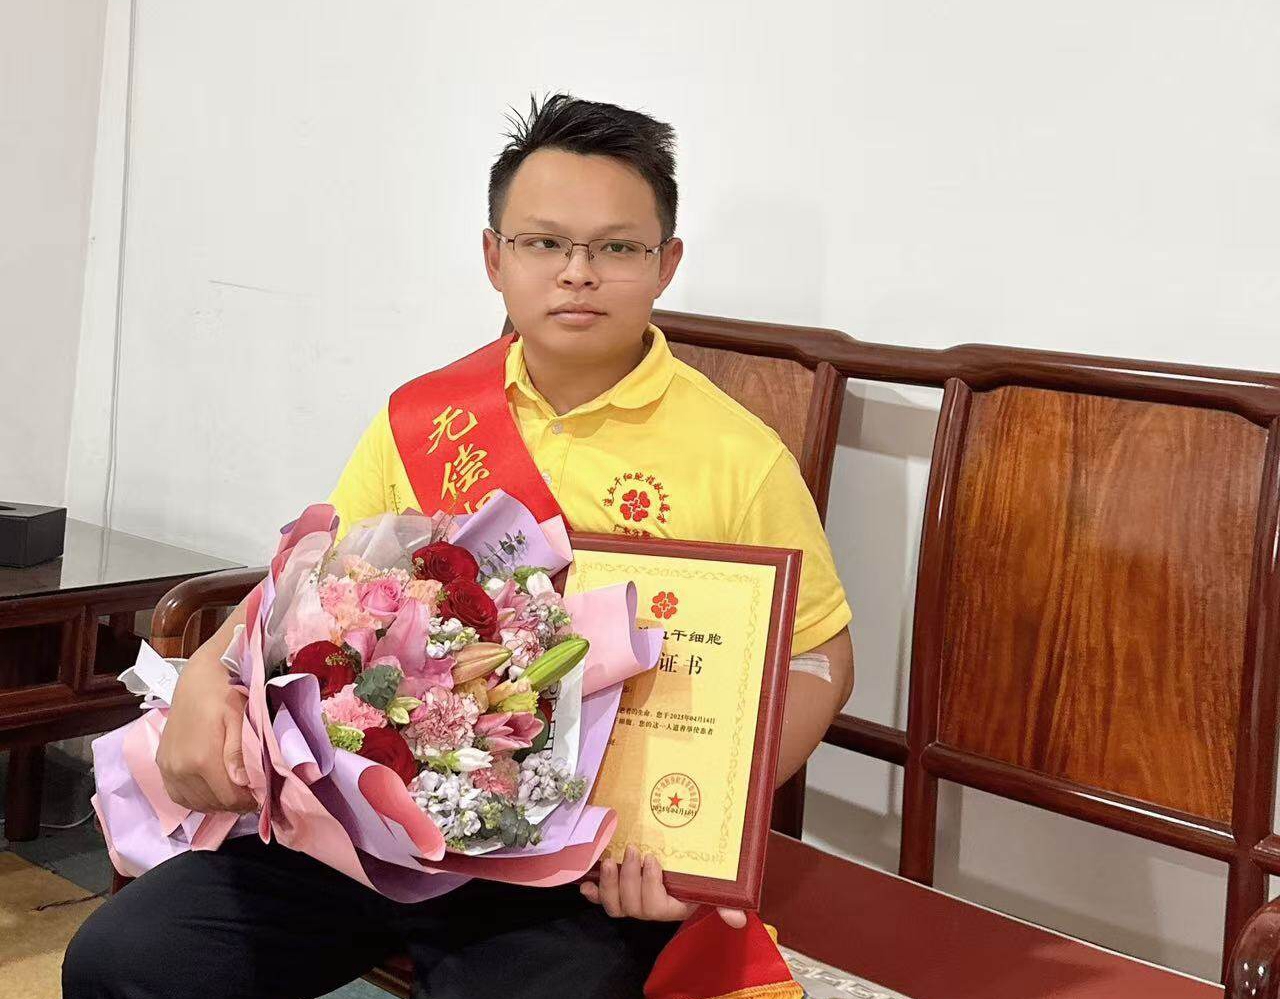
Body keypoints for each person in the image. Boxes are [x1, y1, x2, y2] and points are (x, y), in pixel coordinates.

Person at [63, 94, 855, 999]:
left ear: (666, 264)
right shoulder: (427, 415)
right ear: (494, 257)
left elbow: (819, 659)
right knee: (125, 962)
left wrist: (693, 839)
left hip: (570, 865)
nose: (578, 273)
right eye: (544, 242)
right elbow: (308, 576)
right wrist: (211, 669)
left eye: (617, 247)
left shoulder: (739, 458)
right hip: (369, 826)